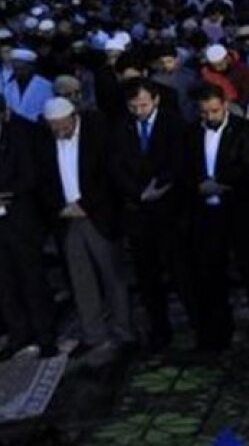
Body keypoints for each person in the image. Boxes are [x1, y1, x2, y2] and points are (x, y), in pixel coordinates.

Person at [39, 97, 134, 357]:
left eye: (63, 125)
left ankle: (124, 332)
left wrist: (85, 205)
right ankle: (93, 334)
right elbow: (44, 181)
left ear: (73, 117)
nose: (60, 131)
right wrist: (61, 207)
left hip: (97, 215)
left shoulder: (97, 136)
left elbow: (107, 177)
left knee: (112, 276)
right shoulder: (45, 141)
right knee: (81, 279)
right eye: (54, 127)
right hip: (67, 218)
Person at [109, 78, 191, 351]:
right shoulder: (121, 126)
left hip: (170, 209)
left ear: (155, 99)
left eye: (143, 105)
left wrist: (161, 186)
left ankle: (198, 322)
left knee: (181, 271)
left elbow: (180, 160)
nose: (138, 111)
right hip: (139, 211)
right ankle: (159, 328)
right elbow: (116, 165)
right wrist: (139, 192)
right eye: (133, 106)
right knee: (147, 276)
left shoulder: (173, 123)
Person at [185, 84, 249, 350]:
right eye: (204, 112)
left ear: (225, 106)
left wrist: (218, 183)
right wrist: (199, 186)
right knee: (211, 273)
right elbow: (185, 167)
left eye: (214, 111)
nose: (209, 116)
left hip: (239, 210)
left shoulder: (245, 129)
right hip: (206, 214)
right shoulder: (191, 133)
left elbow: (248, 164)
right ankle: (218, 329)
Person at [0, 95, 58, 359]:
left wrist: (7, 192)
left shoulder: (22, 135)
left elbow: (32, 175)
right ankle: (19, 333)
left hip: (21, 217)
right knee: (5, 282)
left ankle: (45, 335)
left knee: (32, 278)